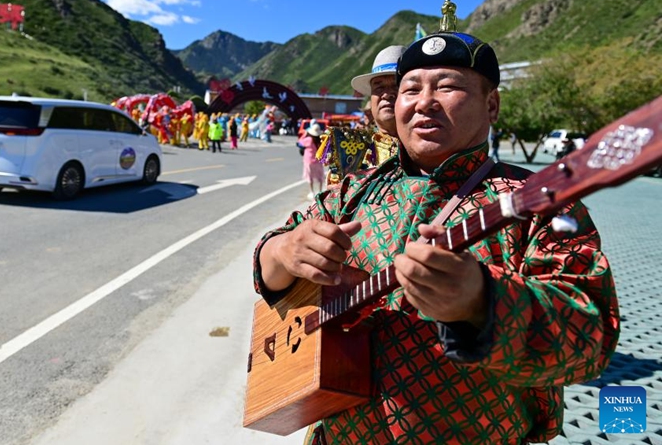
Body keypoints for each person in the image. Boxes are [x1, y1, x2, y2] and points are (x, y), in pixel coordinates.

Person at [252, 28, 619, 444]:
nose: (424, 101)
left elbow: (591, 339)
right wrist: (283, 252)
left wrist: (482, 300)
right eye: (410, 89)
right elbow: (268, 263)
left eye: (447, 87)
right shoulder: (352, 193)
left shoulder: (541, 204)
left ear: (492, 105)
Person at [351, 45, 407, 164]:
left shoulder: (432, 149)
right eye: (379, 87)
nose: (386, 94)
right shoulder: (352, 150)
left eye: (396, 85)